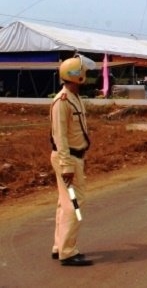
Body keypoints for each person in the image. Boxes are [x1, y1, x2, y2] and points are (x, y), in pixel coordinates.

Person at [50, 54, 96, 266]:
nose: (86, 75)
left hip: (74, 158)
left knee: (64, 203)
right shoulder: (62, 101)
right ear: (76, 76)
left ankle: (60, 246)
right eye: (83, 72)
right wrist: (67, 165)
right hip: (67, 160)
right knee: (74, 204)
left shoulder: (74, 97)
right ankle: (68, 252)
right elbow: (61, 137)